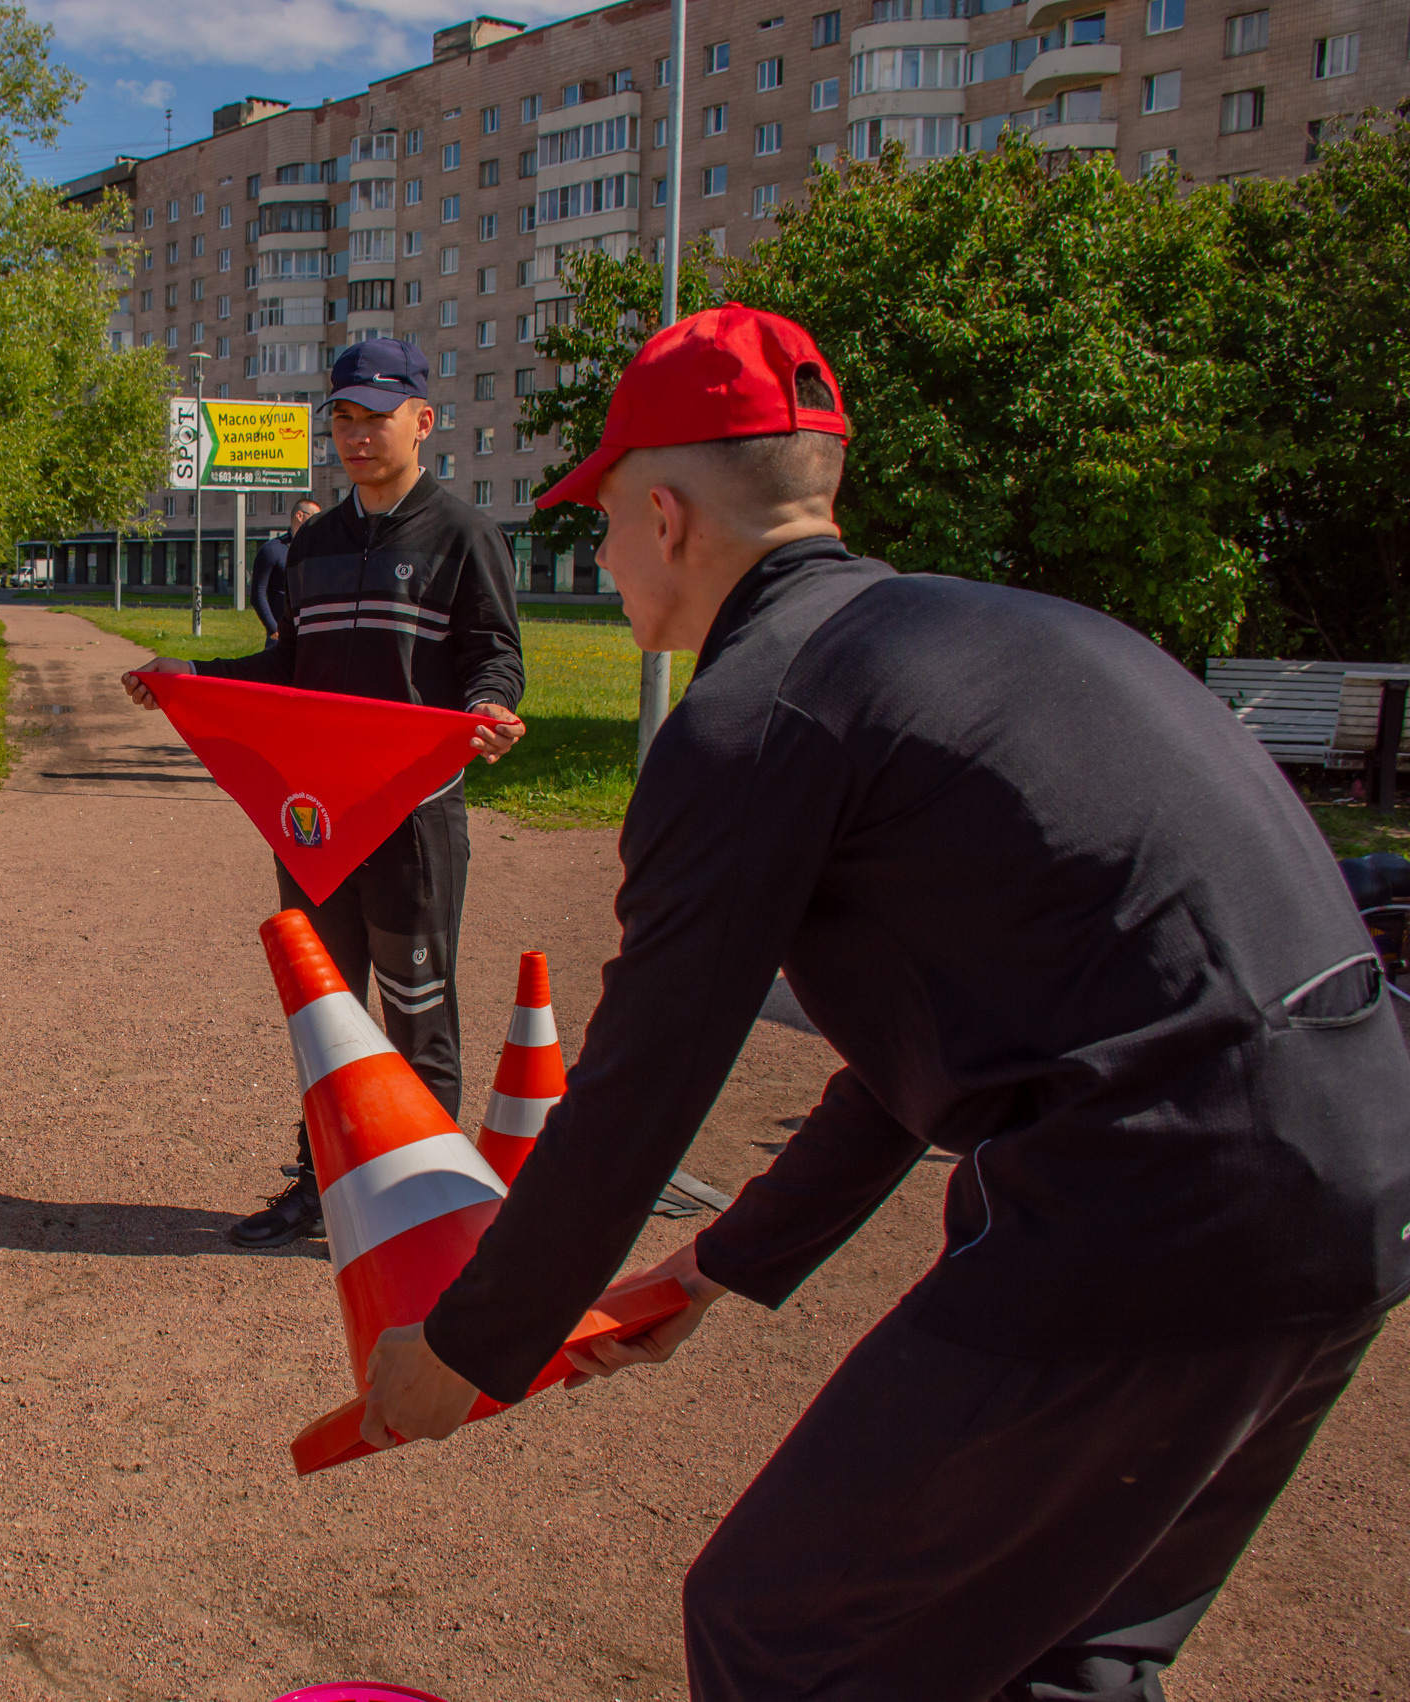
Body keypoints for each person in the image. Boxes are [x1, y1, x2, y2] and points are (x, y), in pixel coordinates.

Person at [358, 305, 1410, 1700]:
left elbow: (643, 1082)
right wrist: (716, 1263)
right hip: (1359, 1172)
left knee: (779, 1627)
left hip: (1155, 1199)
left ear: (666, 515)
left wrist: (471, 1346)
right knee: (1062, 1655)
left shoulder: (755, 717)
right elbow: (930, 1042)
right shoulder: (986, 641)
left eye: (599, 523)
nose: (597, 558)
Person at [124, 338, 526, 1249]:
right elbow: (289, 668)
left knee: (417, 1015)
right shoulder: (313, 542)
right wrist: (196, 674)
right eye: (341, 417)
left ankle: (426, 1207)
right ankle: (321, 1185)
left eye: (375, 417)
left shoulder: (463, 533)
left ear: (423, 422)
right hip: (314, 821)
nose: (355, 434)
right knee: (328, 1015)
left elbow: (493, 654)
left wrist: (490, 707)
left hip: (415, 816)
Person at [246, 495, 321, 645]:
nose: (318, 523)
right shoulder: (272, 550)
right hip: (281, 637)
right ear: (300, 516)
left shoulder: (317, 551)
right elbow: (258, 595)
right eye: (315, 517)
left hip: (310, 635)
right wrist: (274, 629)